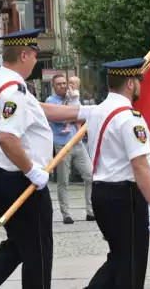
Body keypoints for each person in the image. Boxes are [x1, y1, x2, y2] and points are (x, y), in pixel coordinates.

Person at [0, 29, 94, 289]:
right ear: (24, 54)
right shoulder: (13, 91)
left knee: (17, 246)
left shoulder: (0, 82)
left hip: (4, 176)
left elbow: (40, 109)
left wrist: (84, 112)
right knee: (38, 250)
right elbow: (7, 137)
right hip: (20, 179)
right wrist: (31, 170)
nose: (36, 61)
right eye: (35, 56)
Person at [85, 58, 150, 289]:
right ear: (130, 83)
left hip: (101, 192)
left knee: (120, 259)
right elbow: (140, 166)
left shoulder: (97, 112)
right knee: (131, 265)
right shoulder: (130, 119)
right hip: (124, 196)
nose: (141, 85)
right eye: (139, 80)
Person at [47, 73, 94, 224]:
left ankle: (90, 210)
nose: (63, 86)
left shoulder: (73, 98)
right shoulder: (50, 101)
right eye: (59, 84)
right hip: (62, 145)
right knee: (63, 181)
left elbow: (80, 116)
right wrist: (71, 108)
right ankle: (66, 213)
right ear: (53, 87)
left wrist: (74, 103)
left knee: (90, 176)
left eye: (64, 83)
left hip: (77, 143)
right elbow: (60, 116)